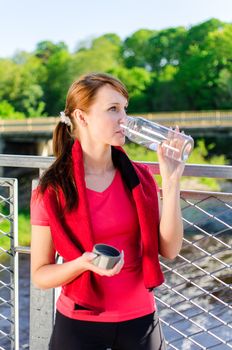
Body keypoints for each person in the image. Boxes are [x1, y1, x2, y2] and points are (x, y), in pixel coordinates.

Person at [30, 72, 185, 350]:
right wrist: (81, 264)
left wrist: (171, 181)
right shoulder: (53, 190)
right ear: (82, 117)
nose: (123, 118)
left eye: (125, 109)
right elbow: (41, 275)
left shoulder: (140, 178)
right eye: (113, 109)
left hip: (141, 322)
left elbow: (170, 250)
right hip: (79, 324)